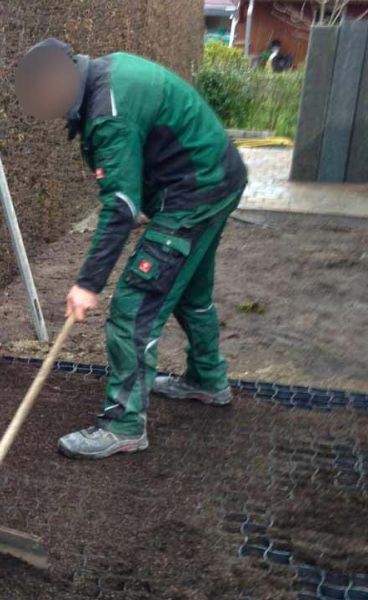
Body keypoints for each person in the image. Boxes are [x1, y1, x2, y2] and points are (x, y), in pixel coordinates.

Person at [15, 39, 247, 459]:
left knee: (133, 306)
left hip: (197, 190)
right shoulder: (104, 76)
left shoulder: (108, 112)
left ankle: (124, 424)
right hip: (215, 178)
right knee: (187, 289)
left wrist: (88, 284)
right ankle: (208, 380)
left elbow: (120, 207)